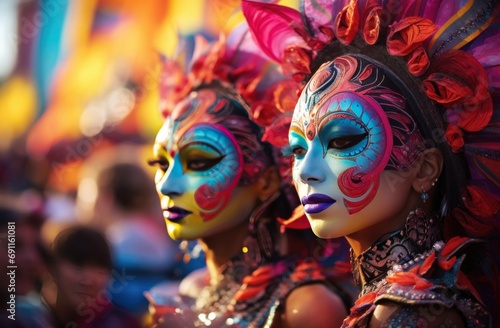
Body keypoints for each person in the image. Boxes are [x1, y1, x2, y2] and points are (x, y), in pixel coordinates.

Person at [243, 0, 500, 327]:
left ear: (424, 169)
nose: (306, 170)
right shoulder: (394, 302)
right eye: (297, 149)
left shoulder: (409, 313)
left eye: (342, 142)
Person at [147, 24, 354, 327]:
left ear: (267, 181)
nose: (169, 185)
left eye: (200, 161)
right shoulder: (193, 290)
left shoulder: (304, 307)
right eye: (161, 164)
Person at [44, 225, 141, 328]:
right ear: (52, 268)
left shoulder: (122, 324)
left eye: (99, 269)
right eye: (78, 266)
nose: (88, 281)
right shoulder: (32, 317)